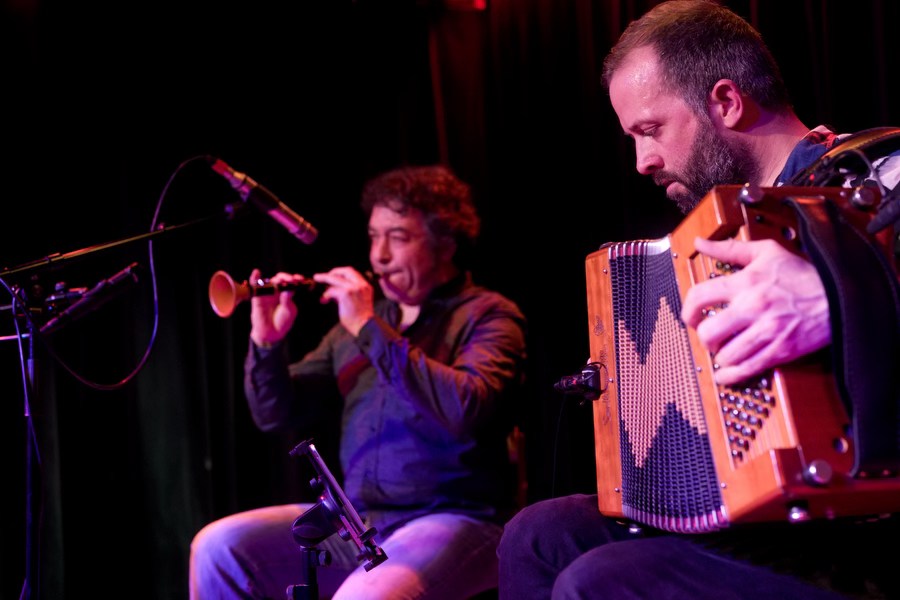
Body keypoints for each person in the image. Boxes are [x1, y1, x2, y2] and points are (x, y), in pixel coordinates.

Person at [497, 1, 900, 599]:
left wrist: (832, 300)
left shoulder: (878, 176)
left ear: (726, 102)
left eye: (650, 130)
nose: (642, 162)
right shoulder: (712, 238)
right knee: (540, 533)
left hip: (867, 540)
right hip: (768, 528)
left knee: (600, 581)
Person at [190, 164, 528, 599]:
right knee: (219, 547)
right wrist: (266, 342)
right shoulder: (355, 328)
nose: (379, 255)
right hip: (359, 521)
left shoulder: (488, 315)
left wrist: (368, 325)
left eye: (399, 237)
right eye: (374, 236)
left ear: (446, 242)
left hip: (456, 520)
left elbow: (467, 408)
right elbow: (276, 413)